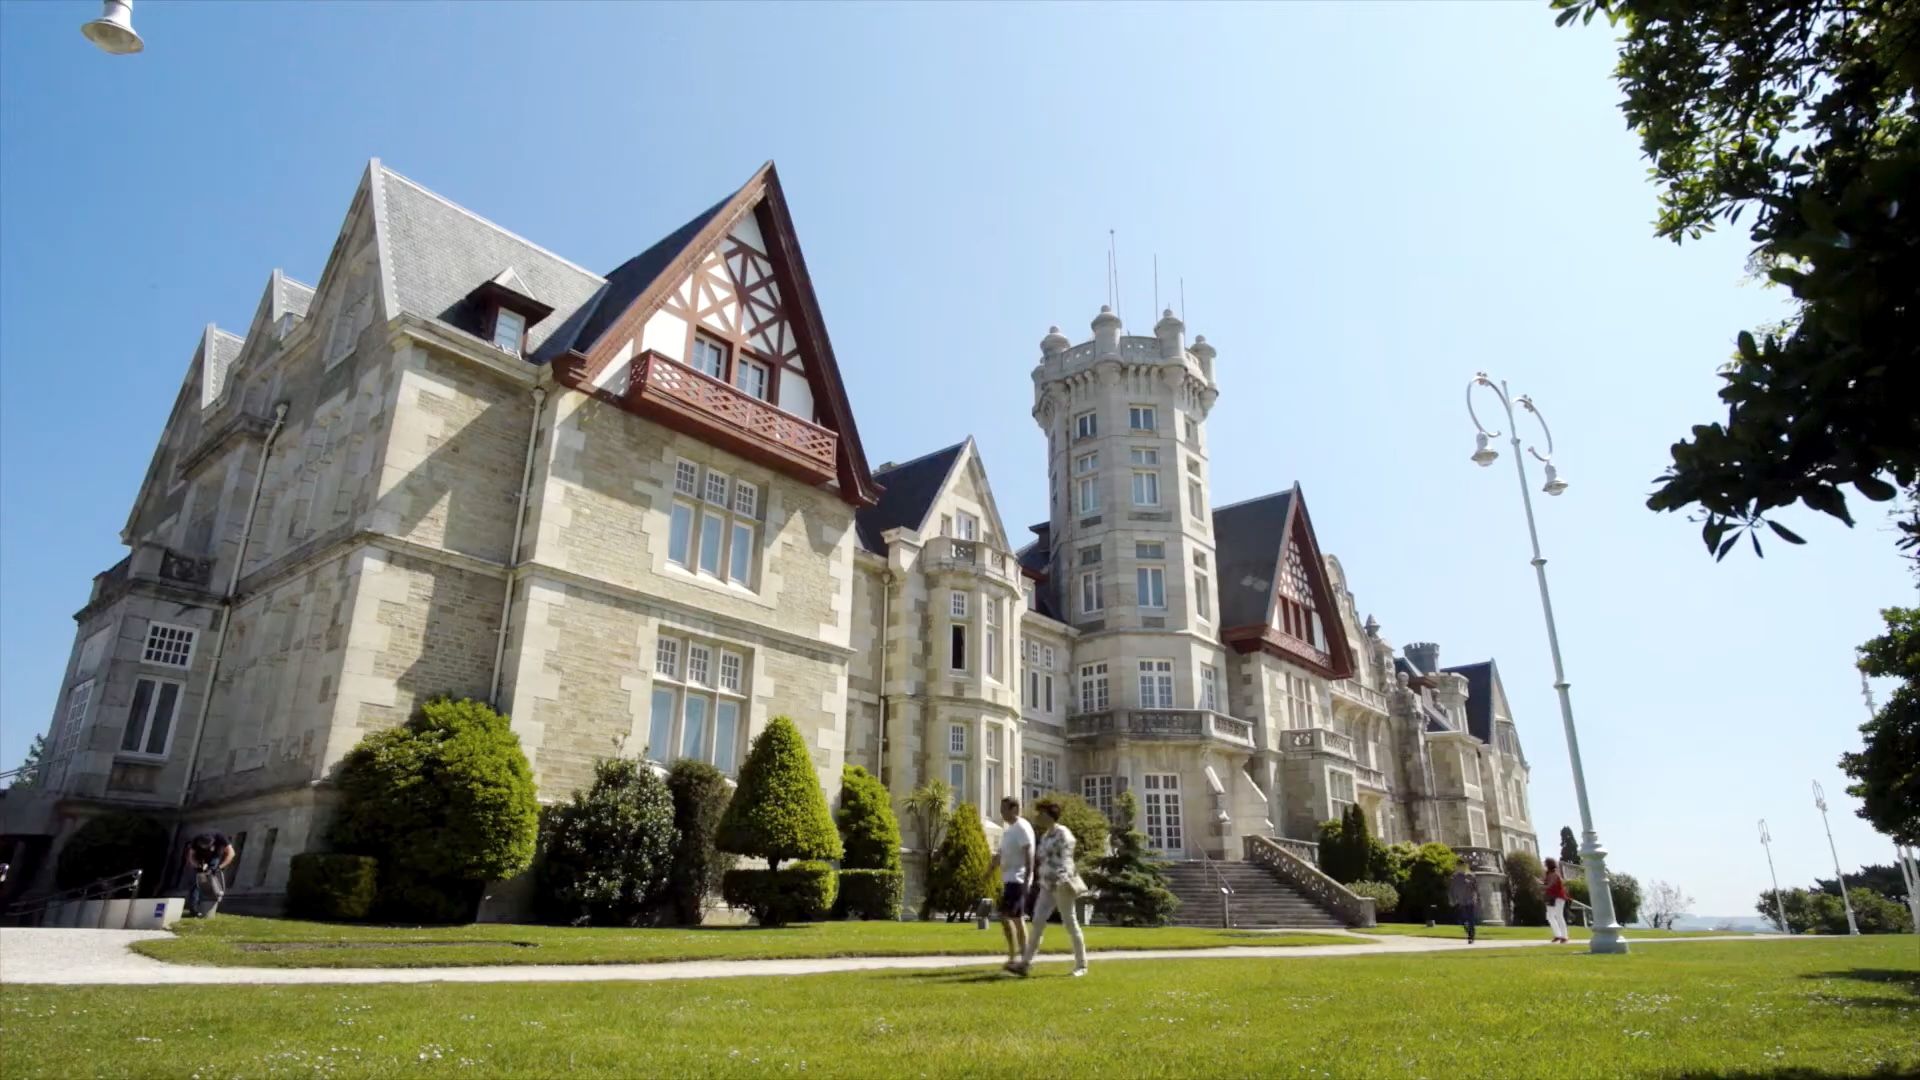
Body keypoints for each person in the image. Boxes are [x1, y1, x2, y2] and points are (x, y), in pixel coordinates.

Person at [1007, 797, 1087, 978]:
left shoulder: (1063, 833)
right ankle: (1026, 963)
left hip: (1062, 884)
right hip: (1047, 885)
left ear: (1049, 815)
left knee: (1070, 923)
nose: (1038, 816)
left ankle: (1081, 965)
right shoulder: (1045, 836)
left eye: (1040, 813)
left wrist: (1062, 877)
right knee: (1037, 922)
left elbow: (1067, 856)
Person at [989, 796, 1035, 968]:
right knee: (1008, 917)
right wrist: (989, 872)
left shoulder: (1022, 827)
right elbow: (999, 855)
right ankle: (1016, 956)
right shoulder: (1008, 831)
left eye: (1004, 810)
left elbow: (1029, 852)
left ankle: (1024, 958)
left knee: (1015, 918)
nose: (1001, 813)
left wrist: (1026, 880)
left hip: (1018, 879)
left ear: (1014, 809)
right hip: (1009, 879)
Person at [183, 831, 235, 918]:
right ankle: (194, 909)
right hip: (199, 857)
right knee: (197, 881)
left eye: (207, 847)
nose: (206, 848)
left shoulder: (220, 838)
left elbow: (231, 853)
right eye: (203, 847)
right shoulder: (196, 841)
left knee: (211, 879)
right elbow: (191, 856)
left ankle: (209, 904)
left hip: (215, 856)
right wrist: (197, 867)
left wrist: (220, 867)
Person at [1448, 865, 1479, 944]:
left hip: (1470, 901)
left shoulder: (1471, 876)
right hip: (1461, 902)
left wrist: (1476, 898)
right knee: (1463, 920)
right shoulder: (1455, 877)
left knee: (1470, 919)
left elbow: (1475, 888)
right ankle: (1469, 932)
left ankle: (1471, 936)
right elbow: (1452, 889)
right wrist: (1452, 899)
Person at [1543, 857, 1570, 944]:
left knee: (1559, 915)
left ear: (1548, 865)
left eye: (1545, 863)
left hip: (1559, 897)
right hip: (1550, 897)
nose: (1544, 865)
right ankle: (1558, 935)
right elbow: (1547, 884)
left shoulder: (1555, 874)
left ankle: (1564, 936)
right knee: (1550, 916)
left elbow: (1549, 885)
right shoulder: (1548, 874)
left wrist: (1541, 885)